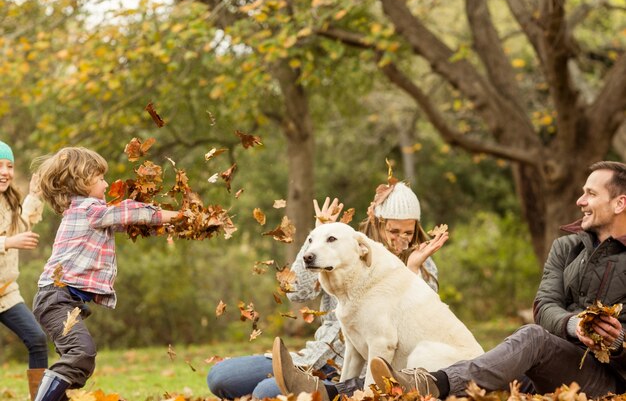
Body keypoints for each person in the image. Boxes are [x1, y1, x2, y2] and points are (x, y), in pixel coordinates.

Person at [369, 161, 626, 398]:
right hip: (553, 362)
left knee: (531, 339)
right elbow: (545, 306)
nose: (580, 201)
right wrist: (574, 325)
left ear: (619, 203)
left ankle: (432, 384)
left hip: (607, 381)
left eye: (591, 194)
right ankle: (337, 388)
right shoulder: (566, 247)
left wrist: (617, 343)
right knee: (486, 366)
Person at [207, 181, 447, 399]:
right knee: (221, 377)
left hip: (360, 372)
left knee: (265, 393)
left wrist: (412, 269)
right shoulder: (344, 245)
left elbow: (420, 326)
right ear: (377, 222)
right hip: (314, 358)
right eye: (394, 231)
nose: (401, 240)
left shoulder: (422, 263)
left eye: (408, 232)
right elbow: (296, 292)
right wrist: (316, 238)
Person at [29, 147, 182, 401]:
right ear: (81, 181)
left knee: (78, 359)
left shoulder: (93, 213)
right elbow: (129, 212)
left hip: (61, 300)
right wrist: (176, 216)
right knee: (81, 354)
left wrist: (174, 226)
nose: (106, 183)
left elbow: (132, 223)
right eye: (100, 178)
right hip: (56, 300)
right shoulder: (89, 209)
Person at [0, 140, 49, 400]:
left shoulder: (8, 200)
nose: (5, 171)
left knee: (37, 339)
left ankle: (41, 398)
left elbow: (21, 225)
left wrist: (35, 194)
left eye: (9, 166)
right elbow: (11, 238)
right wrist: (7, 242)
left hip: (6, 294)